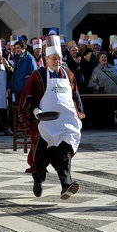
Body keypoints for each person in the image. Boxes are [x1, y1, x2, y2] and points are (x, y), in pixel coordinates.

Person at [18, 34, 85, 200]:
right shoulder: (37, 76)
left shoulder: (68, 74)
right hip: (45, 123)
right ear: (46, 59)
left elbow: (75, 95)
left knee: (64, 151)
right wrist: (35, 112)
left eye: (59, 58)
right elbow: (28, 97)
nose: (57, 62)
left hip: (65, 122)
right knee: (41, 157)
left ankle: (66, 184)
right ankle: (38, 178)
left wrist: (78, 114)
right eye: (53, 59)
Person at [88, 51, 117, 129]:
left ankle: (111, 125)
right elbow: (92, 82)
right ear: (99, 59)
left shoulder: (112, 67)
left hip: (113, 93)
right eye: (102, 57)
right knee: (104, 110)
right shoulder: (96, 70)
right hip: (102, 94)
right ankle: (102, 125)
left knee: (112, 110)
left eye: (105, 57)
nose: (104, 59)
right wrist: (96, 87)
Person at [0, 39, 14, 135]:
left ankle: (6, 127)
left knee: (5, 110)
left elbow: (12, 73)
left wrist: (8, 66)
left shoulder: (6, 62)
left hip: (3, 90)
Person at [7, 39, 37, 104]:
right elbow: (15, 74)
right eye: (15, 48)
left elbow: (33, 75)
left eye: (18, 48)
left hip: (25, 90)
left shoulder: (30, 59)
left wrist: (27, 87)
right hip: (17, 89)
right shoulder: (17, 58)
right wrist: (10, 87)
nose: (16, 50)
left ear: (24, 47)